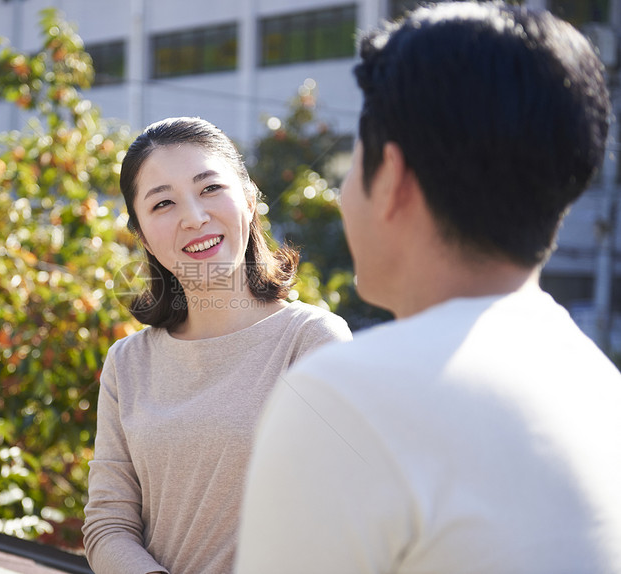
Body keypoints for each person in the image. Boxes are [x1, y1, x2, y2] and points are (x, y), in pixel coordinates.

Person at [235, 2, 621, 573]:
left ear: (391, 177)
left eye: (352, 160)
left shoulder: (342, 397)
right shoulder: (598, 384)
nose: (342, 196)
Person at [81, 117, 351, 574]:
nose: (193, 217)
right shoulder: (127, 363)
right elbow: (108, 524)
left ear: (248, 201)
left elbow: (341, 522)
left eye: (209, 188)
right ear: (143, 235)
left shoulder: (312, 342)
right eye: (163, 202)